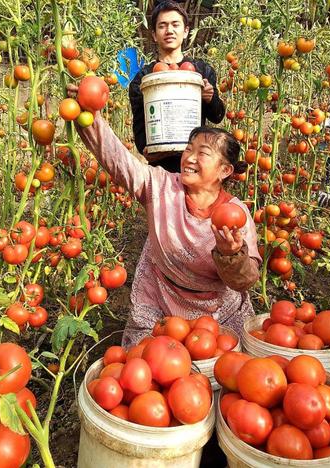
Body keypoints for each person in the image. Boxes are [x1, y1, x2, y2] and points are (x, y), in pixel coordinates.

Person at [70, 87, 259, 348]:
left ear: (224, 170)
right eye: (188, 149)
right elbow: (119, 161)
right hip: (160, 294)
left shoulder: (237, 214)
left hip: (216, 309)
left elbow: (246, 279)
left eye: (202, 153)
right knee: (149, 364)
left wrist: (232, 255)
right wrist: (89, 114)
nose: (190, 158)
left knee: (220, 365)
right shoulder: (160, 186)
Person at [128, 1, 226, 173]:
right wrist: (147, 150)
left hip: (196, 166)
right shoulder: (143, 78)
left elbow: (217, 116)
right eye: (162, 26)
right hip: (160, 169)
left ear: (185, 31)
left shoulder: (201, 71)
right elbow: (140, 126)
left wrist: (210, 98)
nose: (169, 31)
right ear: (154, 34)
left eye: (175, 25)